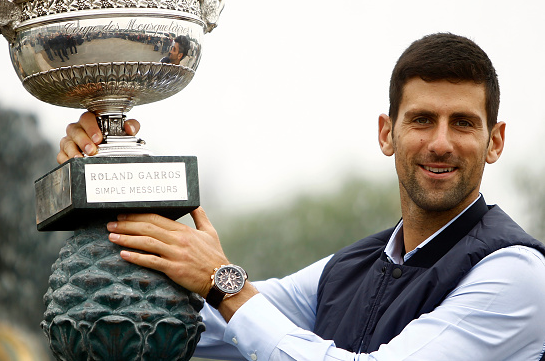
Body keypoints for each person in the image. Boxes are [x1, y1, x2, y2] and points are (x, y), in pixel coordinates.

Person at [57, 33, 545, 360]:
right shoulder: (349, 267)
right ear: (387, 134)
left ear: (495, 141)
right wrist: (103, 181)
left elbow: (233, 302)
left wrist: (222, 282)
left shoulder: (517, 273)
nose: (440, 142)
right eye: (422, 119)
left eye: (463, 123)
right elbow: (173, 323)